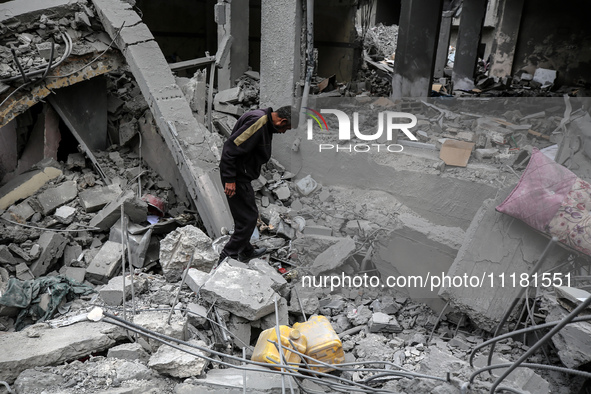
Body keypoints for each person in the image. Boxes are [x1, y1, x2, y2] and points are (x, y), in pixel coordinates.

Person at [218, 106, 292, 263]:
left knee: (244, 215)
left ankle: (246, 250)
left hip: (240, 175)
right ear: (282, 120)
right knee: (248, 219)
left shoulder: (262, 120)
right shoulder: (259, 122)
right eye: (286, 128)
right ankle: (227, 257)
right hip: (236, 176)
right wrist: (230, 179)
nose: (284, 132)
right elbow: (230, 149)